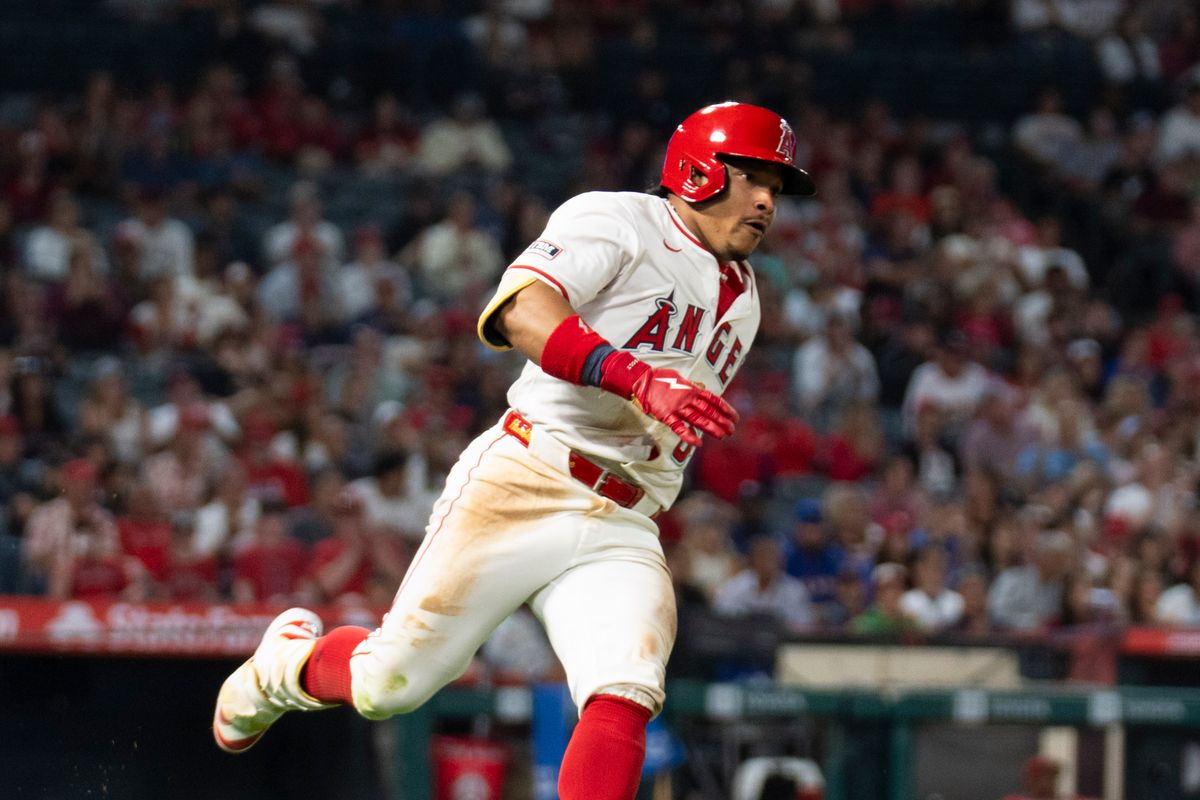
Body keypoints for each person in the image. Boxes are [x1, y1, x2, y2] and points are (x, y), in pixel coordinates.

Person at [212, 101, 815, 800]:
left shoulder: (745, 300)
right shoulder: (618, 219)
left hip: (622, 518)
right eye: (755, 178)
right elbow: (520, 311)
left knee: (626, 686)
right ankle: (284, 667)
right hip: (528, 476)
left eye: (778, 188)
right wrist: (637, 378)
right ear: (700, 169)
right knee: (390, 684)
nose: (769, 201)